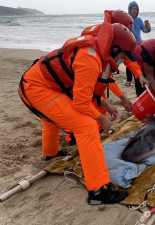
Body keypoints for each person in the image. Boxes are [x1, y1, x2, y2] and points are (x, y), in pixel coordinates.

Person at [18, 22, 136, 204]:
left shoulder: (96, 49)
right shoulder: (90, 58)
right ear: (114, 48)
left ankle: (50, 153)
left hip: (41, 83)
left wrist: (105, 105)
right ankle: (98, 191)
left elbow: (86, 91)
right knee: (86, 126)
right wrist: (102, 117)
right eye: (123, 55)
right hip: (37, 88)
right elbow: (81, 103)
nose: (122, 59)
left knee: (52, 120)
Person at [65, 10, 150, 145]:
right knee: (81, 105)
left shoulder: (110, 42)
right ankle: (71, 137)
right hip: (80, 76)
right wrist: (122, 98)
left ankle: (101, 128)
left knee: (98, 99)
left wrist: (138, 74)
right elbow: (103, 80)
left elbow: (126, 59)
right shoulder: (98, 49)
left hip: (92, 76)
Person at [125, 1, 151, 87]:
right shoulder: (126, 19)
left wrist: (148, 28)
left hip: (138, 44)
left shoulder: (139, 20)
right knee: (129, 61)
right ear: (129, 9)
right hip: (129, 44)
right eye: (133, 9)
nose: (135, 10)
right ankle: (129, 79)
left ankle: (138, 76)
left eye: (136, 9)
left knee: (138, 61)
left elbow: (145, 30)